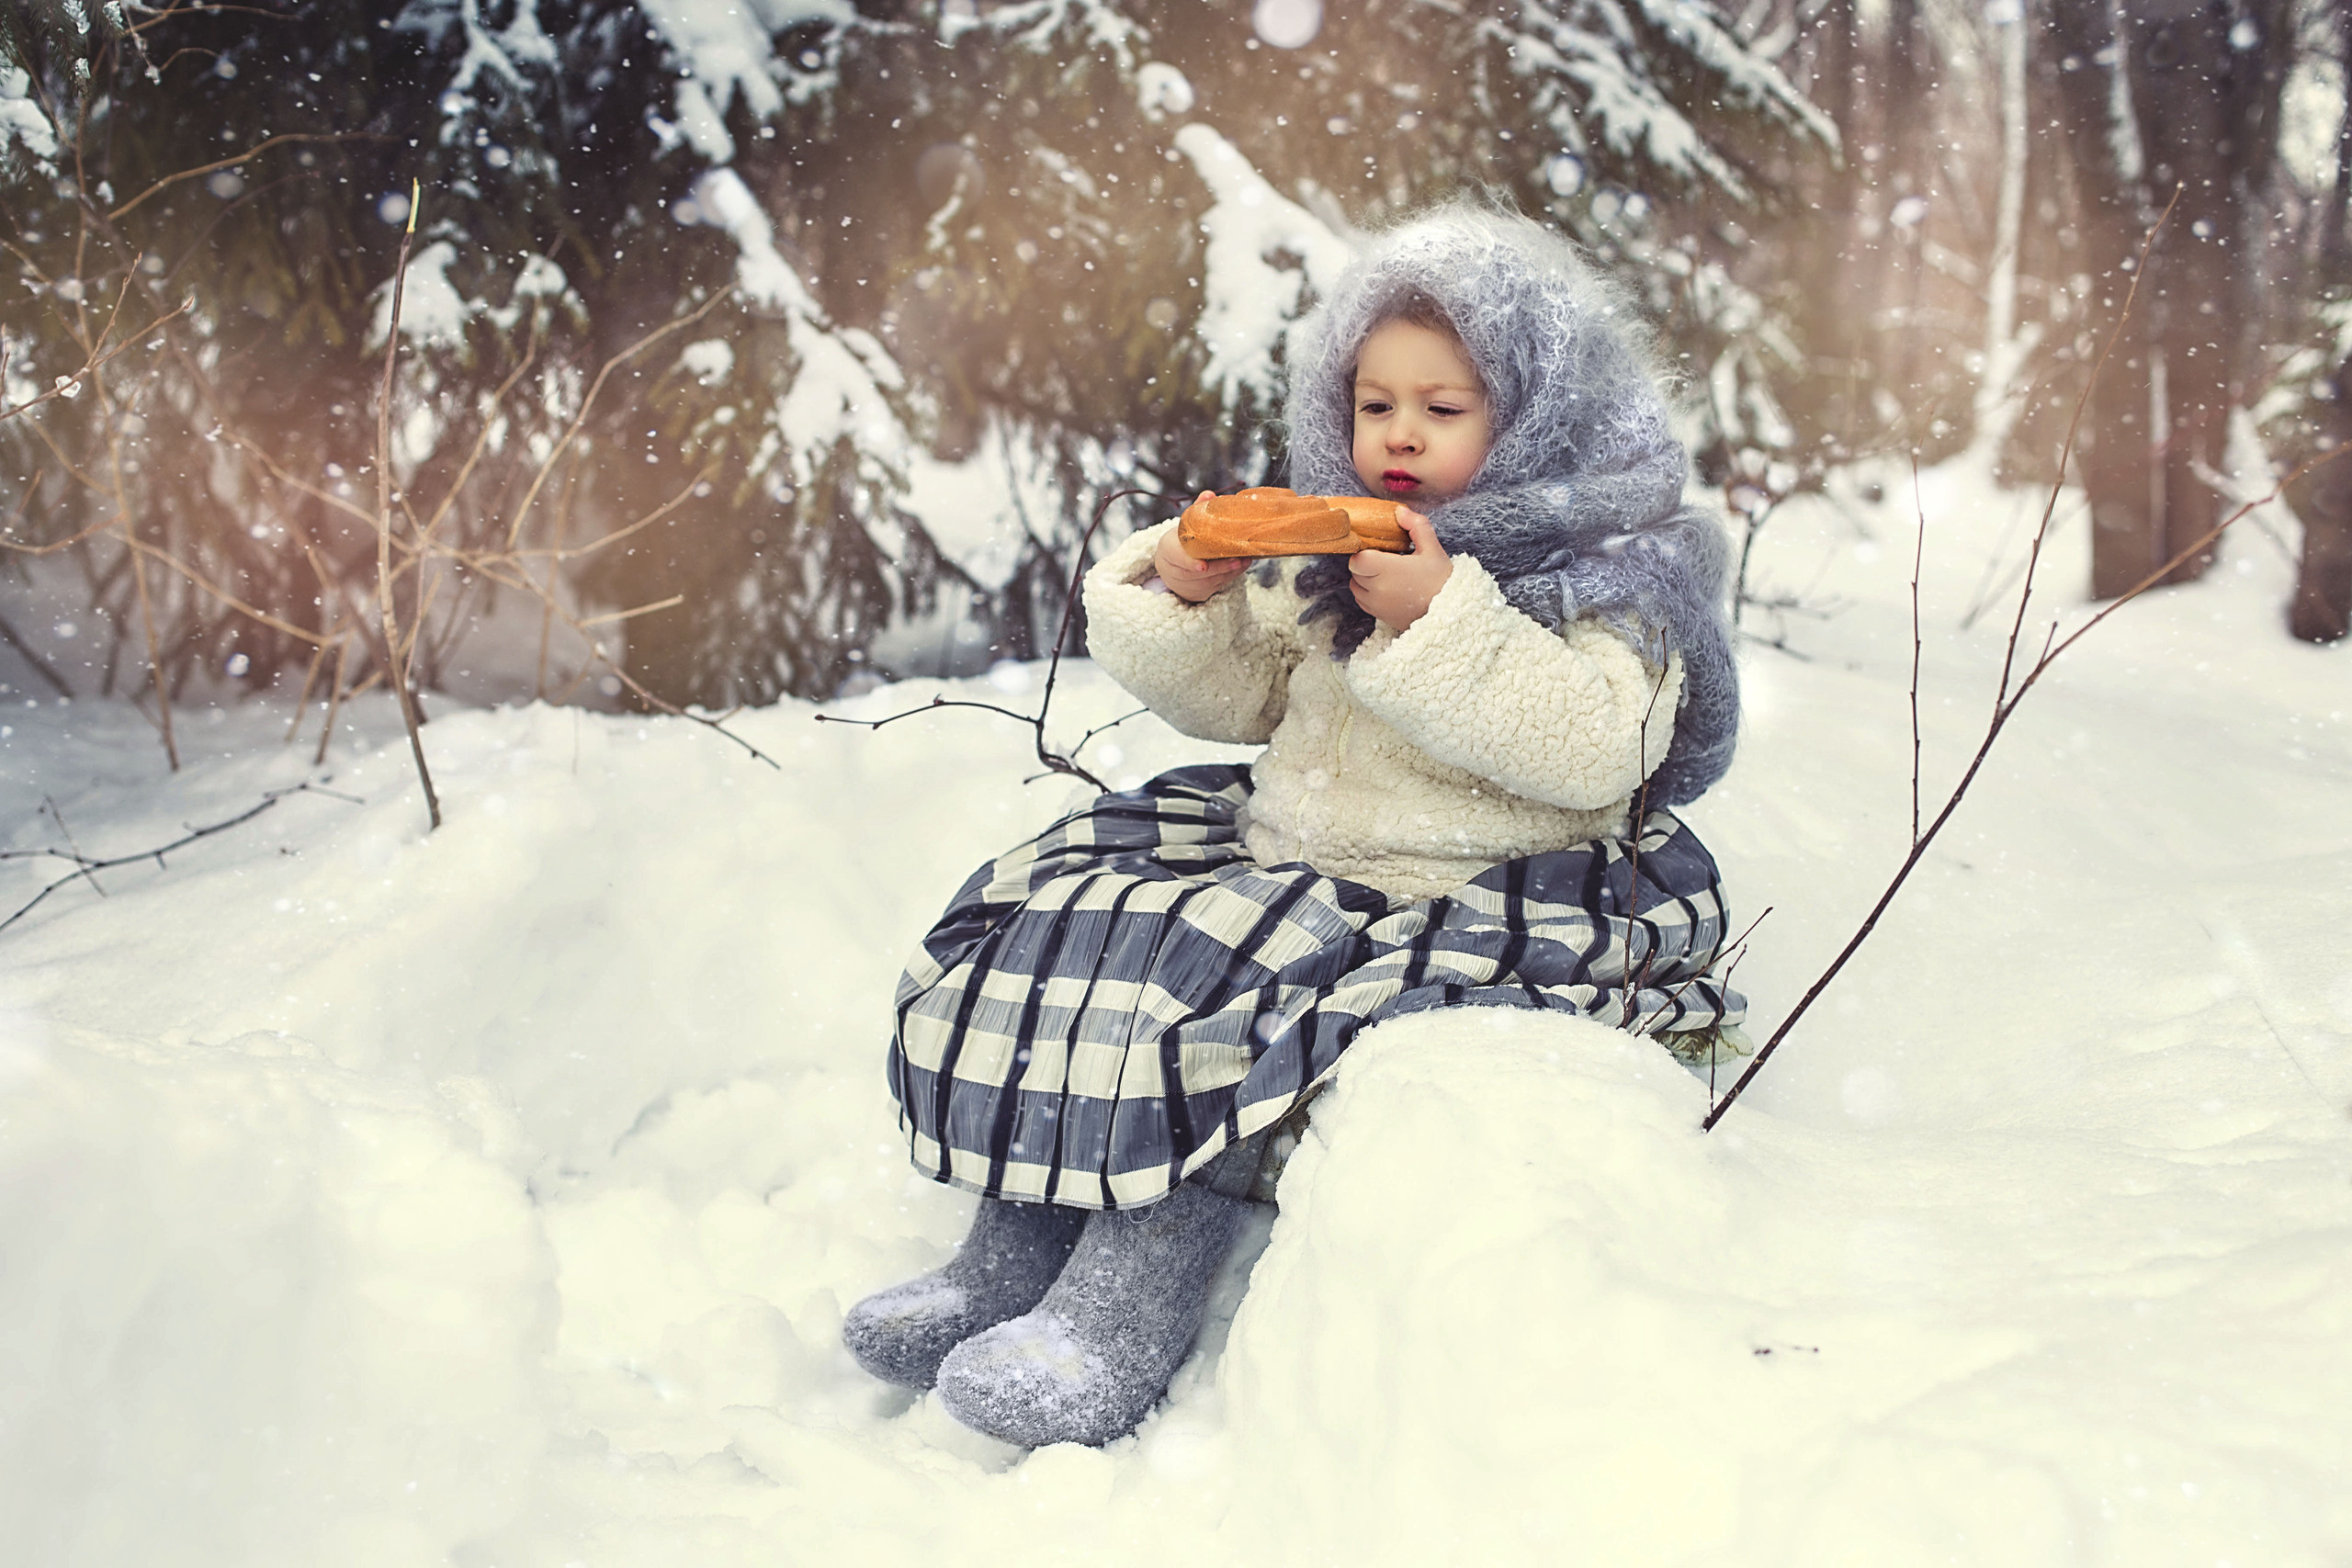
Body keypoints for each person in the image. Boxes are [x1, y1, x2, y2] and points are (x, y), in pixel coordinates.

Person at [842, 209, 1748, 1450]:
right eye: (1376, 405)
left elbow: (1597, 743)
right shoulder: (1336, 544)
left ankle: (1118, 1312)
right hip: (1291, 856)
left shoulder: (1611, 578)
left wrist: (1441, 621)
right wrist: (1190, 596)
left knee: (1225, 1011)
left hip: (1462, 885)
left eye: (1443, 407)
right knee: (1086, 925)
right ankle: (1006, 1253)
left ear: (1544, 415)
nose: (1400, 435)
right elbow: (1244, 701)